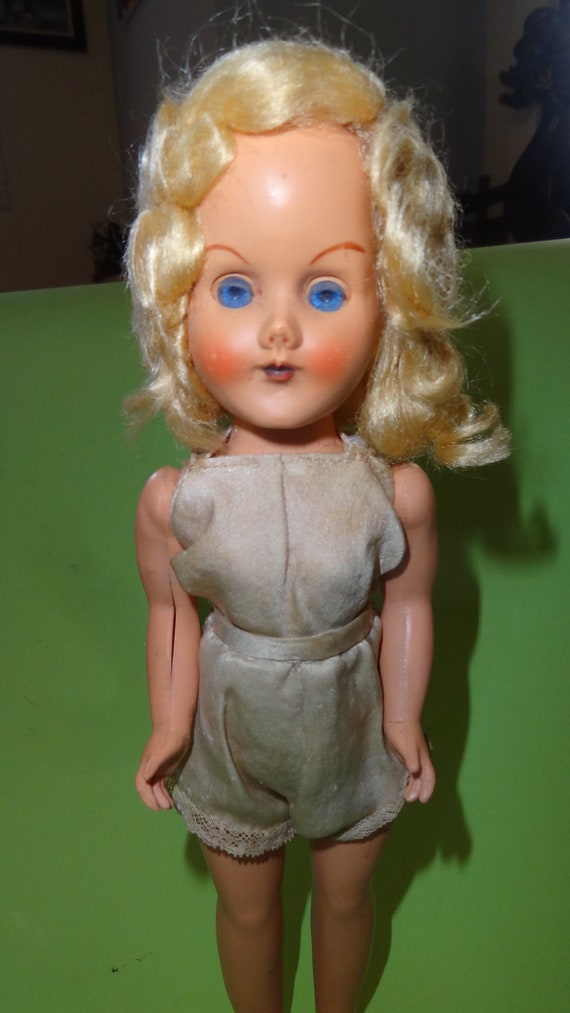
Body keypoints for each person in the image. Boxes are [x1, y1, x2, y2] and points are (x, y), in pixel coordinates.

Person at [126, 39, 509, 1013]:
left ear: (391, 302)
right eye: (235, 288)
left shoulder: (395, 494)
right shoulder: (177, 499)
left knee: (345, 899)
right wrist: (169, 720)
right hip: (231, 729)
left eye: (327, 290)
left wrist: (403, 716)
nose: (280, 329)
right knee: (248, 911)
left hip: (349, 722)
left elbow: (408, 606)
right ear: (178, 298)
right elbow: (170, 616)